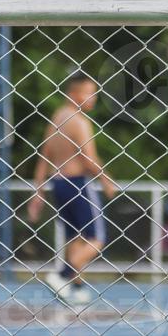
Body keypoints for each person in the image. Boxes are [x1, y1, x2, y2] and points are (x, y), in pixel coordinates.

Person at [26, 72, 117, 305]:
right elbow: (88, 158)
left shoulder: (57, 118)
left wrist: (38, 191)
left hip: (58, 184)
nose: (93, 98)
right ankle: (62, 276)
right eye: (89, 93)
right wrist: (106, 180)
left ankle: (76, 286)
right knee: (96, 239)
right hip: (78, 183)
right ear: (73, 94)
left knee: (75, 238)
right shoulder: (79, 121)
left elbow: (43, 156)